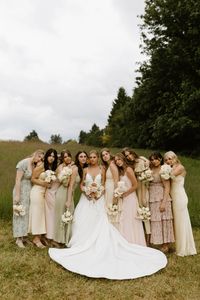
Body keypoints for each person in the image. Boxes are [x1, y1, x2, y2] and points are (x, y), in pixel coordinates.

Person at [49, 150, 167, 280]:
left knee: (102, 222)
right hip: (86, 200)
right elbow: (82, 184)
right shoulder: (86, 170)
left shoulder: (102, 169)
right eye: (90, 157)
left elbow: (104, 185)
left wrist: (99, 192)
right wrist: (87, 191)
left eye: (95, 157)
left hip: (99, 199)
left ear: (97, 158)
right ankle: (80, 243)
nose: (92, 159)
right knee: (81, 221)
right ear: (88, 159)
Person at [164, 151, 197, 256]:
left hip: (179, 196)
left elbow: (168, 175)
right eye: (166, 159)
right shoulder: (171, 167)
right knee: (176, 222)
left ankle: (183, 249)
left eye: (170, 158)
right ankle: (180, 245)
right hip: (173, 196)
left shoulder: (180, 167)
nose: (168, 161)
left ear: (175, 158)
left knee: (181, 221)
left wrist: (164, 168)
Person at [13, 150, 45, 248]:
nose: (40, 159)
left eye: (42, 158)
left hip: (29, 191)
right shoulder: (23, 163)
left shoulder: (34, 165)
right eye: (39, 156)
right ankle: (18, 239)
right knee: (20, 213)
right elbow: (17, 179)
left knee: (27, 214)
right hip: (21, 190)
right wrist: (17, 195)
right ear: (35, 154)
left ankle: (25, 237)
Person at [114, 153, 146, 246]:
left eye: (119, 159)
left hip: (130, 198)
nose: (118, 162)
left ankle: (134, 242)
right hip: (124, 198)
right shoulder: (121, 171)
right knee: (125, 220)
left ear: (123, 159)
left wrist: (125, 194)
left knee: (130, 219)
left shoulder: (128, 170)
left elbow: (135, 185)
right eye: (116, 161)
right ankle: (126, 242)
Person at [122, 148, 151, 244]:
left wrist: (146, 161)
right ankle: (140, 236)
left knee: (145, 210)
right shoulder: (131, 165)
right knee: (138, 213)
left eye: (130, 154)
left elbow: (146, 176)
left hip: (143, 188)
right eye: (126, 156)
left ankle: (148, 239)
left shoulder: (141, 161)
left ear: (133, 153)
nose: (129, 156)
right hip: (136, 190)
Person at [149, 152, 175, 253]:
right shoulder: (150, 170)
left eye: (156, 159)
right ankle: (158, 241)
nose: (154, 161)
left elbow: (167, 187)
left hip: (161, 197)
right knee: (156, 220)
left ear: (160, 159)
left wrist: (164, 202)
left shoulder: (164, 169)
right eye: (152, 159)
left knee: (165, 220)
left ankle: (166, 245)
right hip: (152, 197)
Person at [53, 150, 73, 246]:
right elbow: (65, 183)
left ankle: (65, 238)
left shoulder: (70, 166)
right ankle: (56, 239)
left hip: (69, 194)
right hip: (62, 193)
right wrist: (68, 171)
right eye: (65, 157)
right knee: (60, 215)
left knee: (67, 215)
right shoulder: (61, 168)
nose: (67, 158)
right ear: (62, 159)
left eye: (69, 155)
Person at [100, 148, 120, 226]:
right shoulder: (108, 165)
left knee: (111, 209)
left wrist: (115, 195)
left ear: (109, 153)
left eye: (106, 154)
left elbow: (116, 180)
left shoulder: (112, 165)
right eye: (103, 155)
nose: (105, 156)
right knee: (108, 210)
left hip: (112, 190)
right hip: (108, 190)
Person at [44, 149, 59, 245]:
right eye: (50, 155)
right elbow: (34, 178)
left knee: (51, 214)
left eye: (53, 156)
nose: (51, 158)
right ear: (46, 156)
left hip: (54, 192)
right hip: (49, 192)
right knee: (50, 214)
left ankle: (50, 236)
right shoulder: (42, 165)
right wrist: (45, 184)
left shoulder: (54, 167)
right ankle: (50, 237)